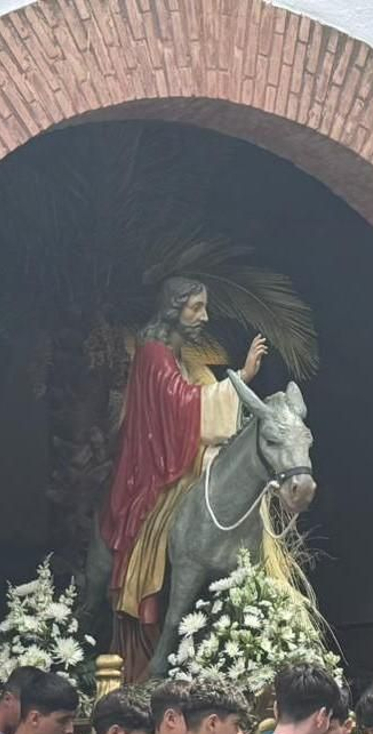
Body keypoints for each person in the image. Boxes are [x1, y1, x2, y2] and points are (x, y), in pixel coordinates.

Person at [98, 277, 268, 675]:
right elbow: (180, 409)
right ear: (173, 309)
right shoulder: (154, 352)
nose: (204, 317)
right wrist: (240, 377)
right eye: (196, 308)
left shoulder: (177, 354)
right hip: (157, 471)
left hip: (185, 464)